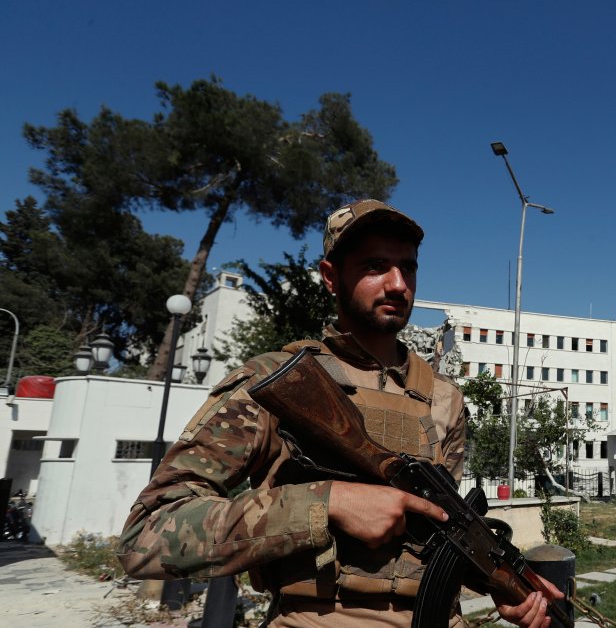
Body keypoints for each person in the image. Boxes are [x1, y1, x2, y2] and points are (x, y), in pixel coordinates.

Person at [117, 200, 562, 627]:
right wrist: (327, 504)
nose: (398, 284)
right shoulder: (275, 383)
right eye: (375, 266)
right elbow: (147, 536)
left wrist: (500, 583)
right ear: (330, 277)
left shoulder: (445, 398)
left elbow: (432, 538)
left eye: (407, 267)